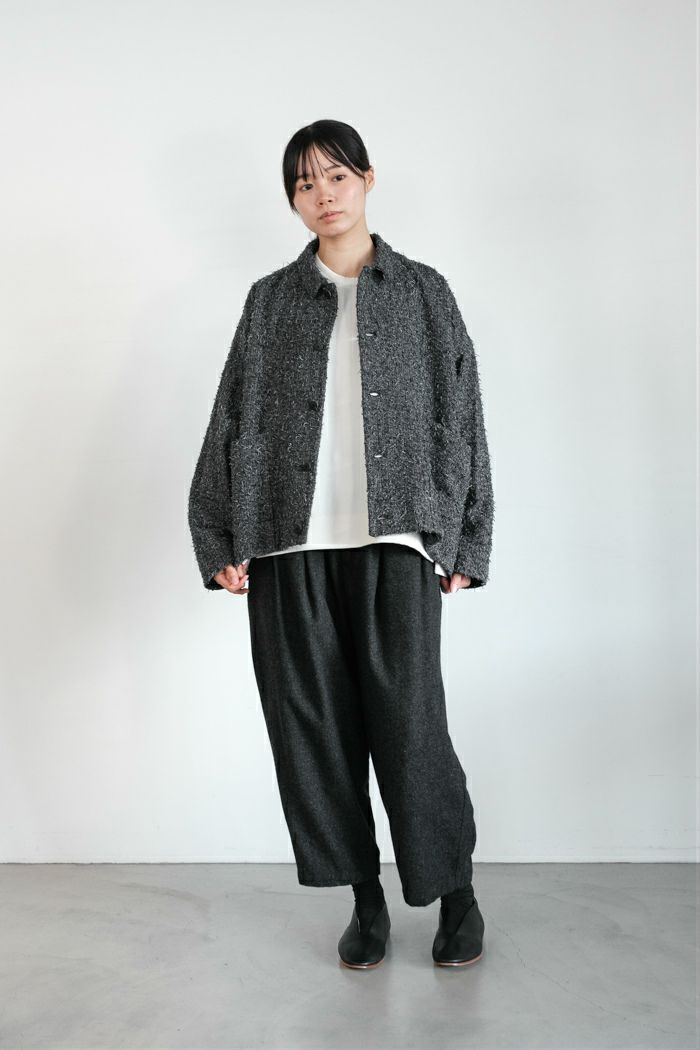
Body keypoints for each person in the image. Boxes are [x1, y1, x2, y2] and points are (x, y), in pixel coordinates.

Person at [188, 119, 494, 969]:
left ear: (366, 179)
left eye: (335, 176)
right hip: (289, 547)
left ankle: (456, 894)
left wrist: (468, 537)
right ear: (293, 200)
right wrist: (218, 535)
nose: (322, 195)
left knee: (411, 730)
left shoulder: (423, 292)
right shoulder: (270, 301)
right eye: (304, 183)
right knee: (313, 734)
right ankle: (365, 900)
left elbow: (464, 411)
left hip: (397, 540)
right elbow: (230, 415)